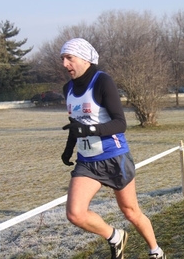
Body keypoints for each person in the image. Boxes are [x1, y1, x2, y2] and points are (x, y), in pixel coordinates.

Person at [60, 38, 166, 259]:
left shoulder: (102, 81)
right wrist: (69, 148)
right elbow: (75, 125)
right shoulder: (67, 89)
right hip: (87, 161)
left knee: (130, 212)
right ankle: (115, 236)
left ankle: (156, 251)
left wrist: (86, 131)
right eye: (62, 59)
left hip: (114, 156)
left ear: (85, 58)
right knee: (75, 213)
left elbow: (120, 124)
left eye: (69, 58)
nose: (64, 64)